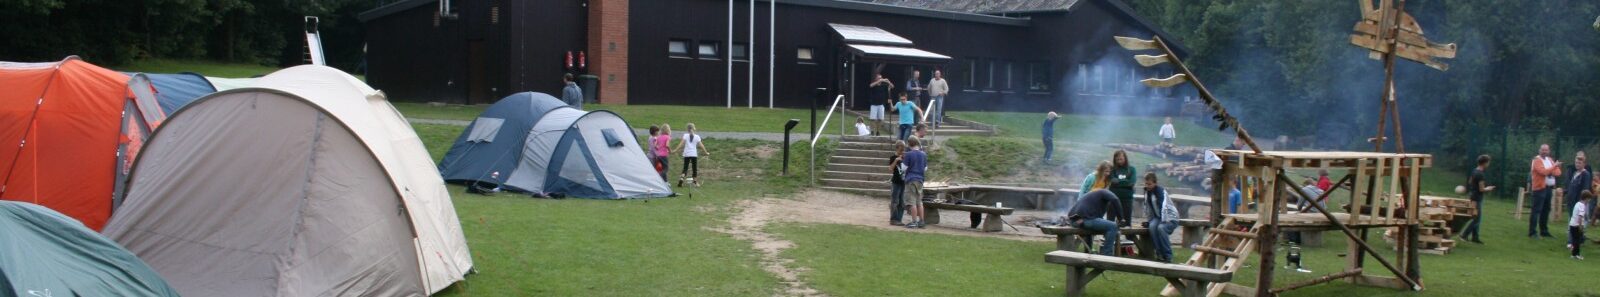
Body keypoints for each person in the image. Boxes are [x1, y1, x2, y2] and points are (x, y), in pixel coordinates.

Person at [1069, 189, 1128, 256]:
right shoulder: (1104, 192)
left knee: (1095, 227)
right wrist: (1121, 219)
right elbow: (1115, 199)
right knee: (1113, 226)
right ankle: (1106, 254)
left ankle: (1088, 252)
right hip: (1083, 220)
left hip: (1075, 221)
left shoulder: (1095, 197)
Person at [1143, 173, 1180, 262]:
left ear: (1155, 183)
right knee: (1152, 226)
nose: (1147, 186)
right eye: (1146, 184)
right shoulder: (1147, 193)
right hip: (1159, 217)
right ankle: (1159, 253)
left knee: (1161, 228)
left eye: (1149, 184)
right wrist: (1149, 221)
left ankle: (1168, 255)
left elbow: (1163, 207)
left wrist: (1164, 220)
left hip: (1170, 217)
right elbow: (1149, 208)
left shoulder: (1160, 191)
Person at [1458, 155, 1494, 244]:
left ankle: (1475, 237)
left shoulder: (1474, 171)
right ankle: (1464, 235)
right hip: (1477, 198)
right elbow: (1482, 189)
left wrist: (1473, 188)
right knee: (1477, 219)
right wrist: (1488, 188)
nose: (1489, 164)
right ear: (1485, 163)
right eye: (1488, 162)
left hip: (1473, 196)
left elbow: (1470, 182)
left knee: (1477, 217)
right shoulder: (1480, 174)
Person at [1531, 144, 1564, 238]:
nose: (1544, 152)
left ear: (1549, 151)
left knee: (1546, 210)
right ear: (1539, 150)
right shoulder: (1536, 160)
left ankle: (1544, 231)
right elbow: (1543, 172)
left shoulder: (1549, 160)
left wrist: (1551, 169)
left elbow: (1558, 172)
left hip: (1549, 188)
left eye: (1546, 150)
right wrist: (1553, 167)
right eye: (1543, 150)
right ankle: (1532, 232)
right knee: (1536, 210)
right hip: (1539, 188)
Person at [903, 137, 929, 229]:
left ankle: (914, 221)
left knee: (912, 201)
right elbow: (925, 168)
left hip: (911, 179)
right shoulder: (923, 154)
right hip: (920, 179)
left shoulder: (909, 154)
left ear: (909, 144)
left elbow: (903, 168)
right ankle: (921, 221)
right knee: (919, 201)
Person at [1109, 150, 1139, 224]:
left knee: (1126, 223)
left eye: (1121, 159)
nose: (1119, 161)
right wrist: (1126, 181)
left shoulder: (1132, 169)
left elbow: (1131, 183)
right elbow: (1112, 181)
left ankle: (1129, 235)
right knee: (1110, 221)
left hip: (1127, 200)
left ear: (1125, 158)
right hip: (1113, 199)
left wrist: (1118, 181)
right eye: (1117, 160)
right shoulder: (1112, 169)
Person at [674, 123, 708, 187]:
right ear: (694, 128)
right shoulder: (697, 137)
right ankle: (695, 182)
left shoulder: (685, 135)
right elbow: (701, 146)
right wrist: (706, 152)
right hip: (694, 155)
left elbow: (681, 144)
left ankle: (681, 179)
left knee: (685, 168)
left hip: (686, 154)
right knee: (694, 169)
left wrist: (675, 150)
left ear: (687, 129)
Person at [888, 140, 908, 226]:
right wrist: (896, 160)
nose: (902, 152)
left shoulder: (905, 158)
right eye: (900, 150)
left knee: (902, 202)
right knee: (895, 201)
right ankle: (893, 219)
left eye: (903, 150)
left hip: (903, 182)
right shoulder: (893, 157)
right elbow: (890, 169)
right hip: (896, 181)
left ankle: (899, 219)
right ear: (897, 149)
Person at [1570, 190, 1593, 260]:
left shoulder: (1577, 203)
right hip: (1577, 225)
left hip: (1572, 224)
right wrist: (1581, 227)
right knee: (1577, 241)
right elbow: (1580, 217)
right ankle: (1577, 255)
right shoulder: (1582, 206)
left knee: (1574, 240)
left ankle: (1573, 254)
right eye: (1589, 199)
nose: (1589, 201)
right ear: (1586, 198)